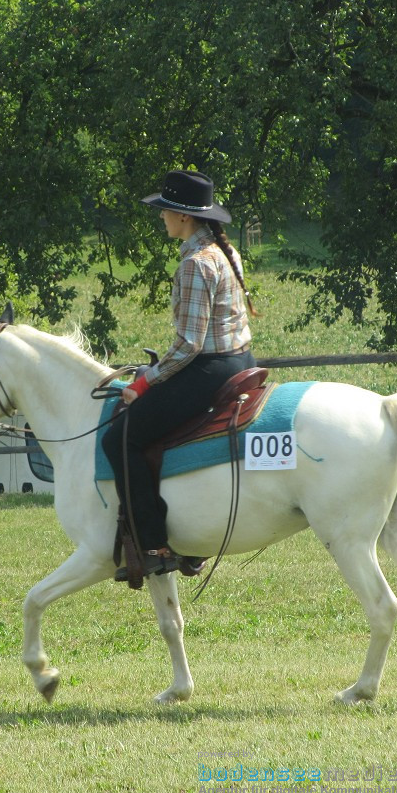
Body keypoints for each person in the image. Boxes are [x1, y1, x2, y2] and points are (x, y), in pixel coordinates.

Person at [102, 169, 257, 582]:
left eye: (165, 211)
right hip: (241, 361)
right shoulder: (223, 252)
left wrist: (142, 382)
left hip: (208, 368)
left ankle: (154, 545)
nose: (161, 218)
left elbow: (189, 345)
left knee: (120, 438)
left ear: (184, 217)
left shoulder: (193, 263)